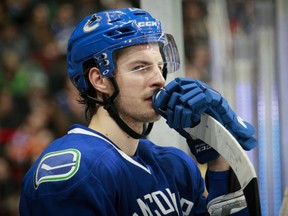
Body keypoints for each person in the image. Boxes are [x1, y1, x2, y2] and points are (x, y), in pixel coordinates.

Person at [19, 8, 257, 216]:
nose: (159, 80)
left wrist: (219, 162)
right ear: (99, 79)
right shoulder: (73, 174)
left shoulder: (176, 167)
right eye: (140, 67)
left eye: (160, 67)